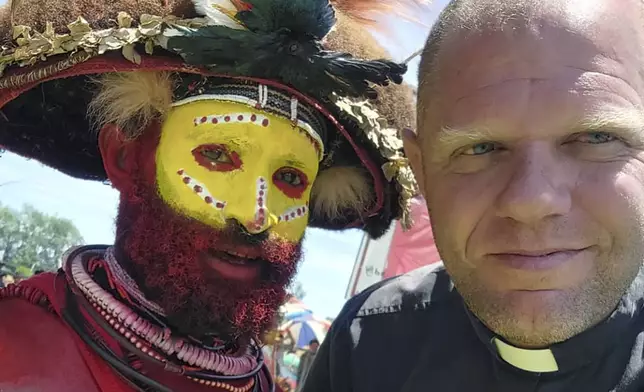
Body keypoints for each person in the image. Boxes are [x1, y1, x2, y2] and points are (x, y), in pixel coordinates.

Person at [0, 0, 418, 390]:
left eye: (290, 178)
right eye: (217, 155)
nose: (257, 216)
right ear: (124, 157)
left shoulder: (263, 382)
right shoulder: (14, 349)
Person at [302, 0, 644, 391]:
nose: (532, 201)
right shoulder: (365, 345)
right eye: (480, 148)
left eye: (597, 138)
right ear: (421, 172)